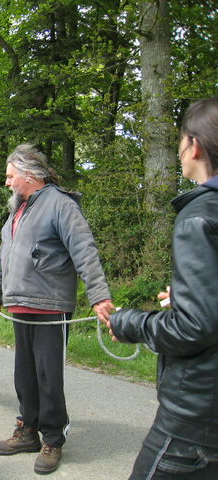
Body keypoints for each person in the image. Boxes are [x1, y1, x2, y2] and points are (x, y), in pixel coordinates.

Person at [106, 98, 218, 479]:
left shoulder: (197, 218)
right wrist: (192, 298)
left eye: (180, 142)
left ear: (195, 145)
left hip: (194, 416)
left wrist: (129, 322)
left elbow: (194, 328)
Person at [0, 144, 114, 475]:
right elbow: (4, 256)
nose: (7, 182)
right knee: (24, 374)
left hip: (50, 305)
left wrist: (99, 295)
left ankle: (53, 439)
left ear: (29, 174)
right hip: (20, 304)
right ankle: (28, 430)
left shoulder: (61, 204)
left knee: (48, 376)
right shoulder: (17, 210)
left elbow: (84, 249)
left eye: (10, 176)